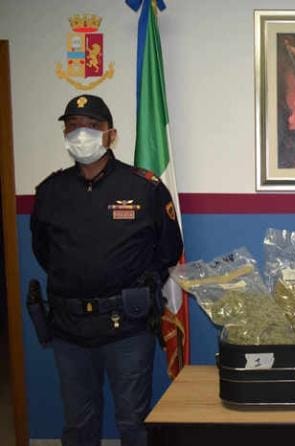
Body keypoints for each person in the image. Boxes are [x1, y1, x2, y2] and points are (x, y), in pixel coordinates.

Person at [31, 94, 183, 446]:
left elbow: (168, 249)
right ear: (65, 134)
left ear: (110, 135)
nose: (81, 134)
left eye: (91, 126)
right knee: (78, 423)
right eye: (73, 127)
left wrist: (136, 283)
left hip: (126, 327)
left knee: (133, 422)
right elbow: (43, 250)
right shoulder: (51, 190)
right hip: (69, 328)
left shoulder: (143, 187)